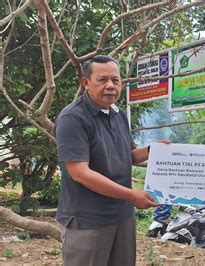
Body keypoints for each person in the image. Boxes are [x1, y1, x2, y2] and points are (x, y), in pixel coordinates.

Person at [54, 55, 158, 266]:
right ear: (86, 82)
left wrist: (153, 151)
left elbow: (126, 156)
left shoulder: (117, 114)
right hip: (88, 221)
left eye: (116, 80)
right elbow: (80, 173)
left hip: (122, 216)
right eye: (103, 80)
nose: (111, 86)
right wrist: (131, 195)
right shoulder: (73, 118)